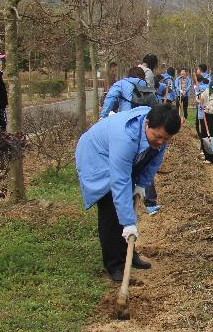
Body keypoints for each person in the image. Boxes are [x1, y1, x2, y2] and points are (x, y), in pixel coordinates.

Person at [74, 105, 181, 283]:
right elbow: (120, 180)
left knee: (126, 200)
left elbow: (153, 161)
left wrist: (141, 184)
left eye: (166, 139)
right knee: (110, 208)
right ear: (147, 124)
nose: (161, 142)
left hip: (120, 159)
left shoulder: (157, 134)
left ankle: (128, 253)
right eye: (158, 137)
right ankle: (115, 265)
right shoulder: (125, 137)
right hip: (98, 156)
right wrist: (128, 222)